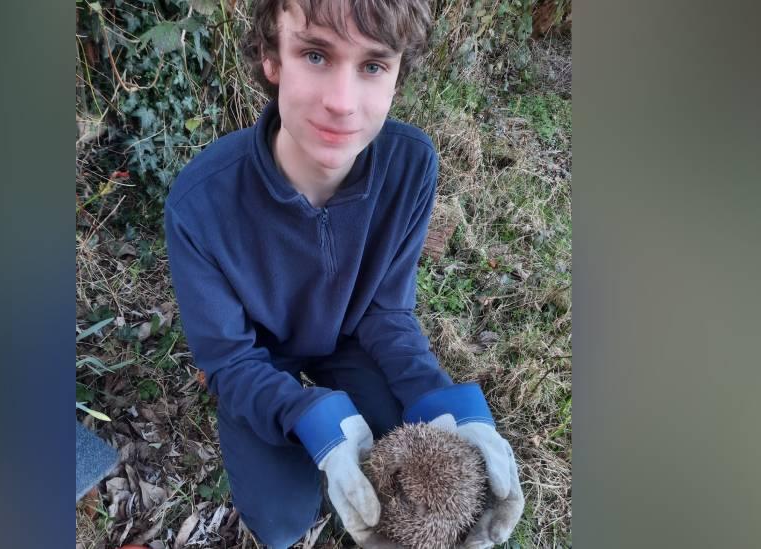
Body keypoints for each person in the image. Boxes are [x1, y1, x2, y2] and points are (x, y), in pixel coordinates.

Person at [164, 1, 525, 547]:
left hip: (356, 339)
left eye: (373, 66)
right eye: (315, 54)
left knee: (428, 459)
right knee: (282, 523)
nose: (341, 103)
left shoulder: (411, 166)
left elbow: (386, 312)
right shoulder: (201, 203)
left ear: (399, 72)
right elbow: (229, 361)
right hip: (261, 363)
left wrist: (446, 407)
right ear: (271, 59)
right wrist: (311, 417)